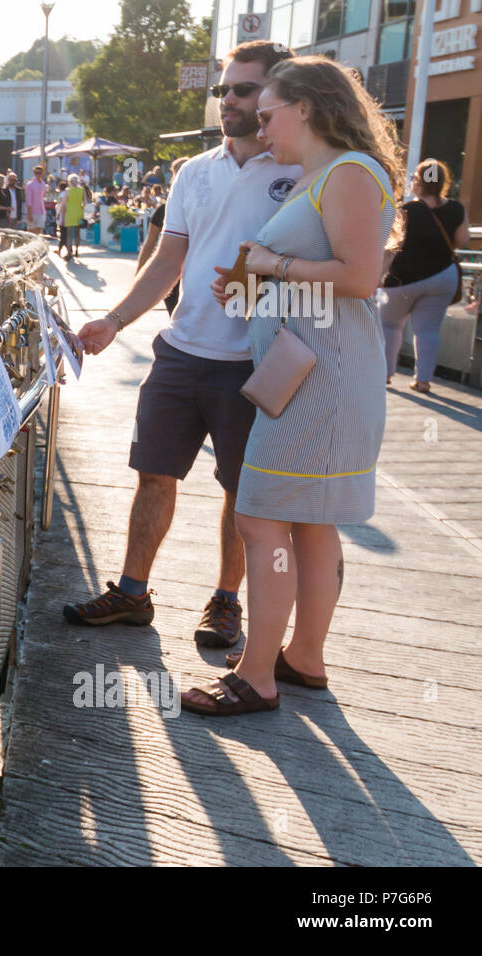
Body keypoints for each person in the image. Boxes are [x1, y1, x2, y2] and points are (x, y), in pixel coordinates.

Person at [184, 55, 404, 716]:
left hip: (320, 382)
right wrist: (251, 282)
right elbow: (312, 274)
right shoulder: (321, 177)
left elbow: (360, 276)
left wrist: (273, 263)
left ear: (305, 108)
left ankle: (256, 675)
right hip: (310, 374)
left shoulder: (349, 174)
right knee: (309, 523)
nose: (260, 123)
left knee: (259, 516)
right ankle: (303, 658)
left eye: (269, 112)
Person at [64, 40, 300, 651]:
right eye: (222, 88)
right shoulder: (192, 172)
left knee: (241, 491)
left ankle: (226, 602)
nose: (227, 100)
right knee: (153, 474)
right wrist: (114, 321)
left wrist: (262, 280)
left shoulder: (302, 172)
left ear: (277, 94)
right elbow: (169, 258)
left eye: (242, 89)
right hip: (181, 351)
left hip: (254, 361)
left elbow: (326, 266)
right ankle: (132, 592)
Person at [379, 158, 470, 393]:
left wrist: (378, 274)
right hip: (441, 277)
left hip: (402, 281)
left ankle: (386, 375)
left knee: (390, 326)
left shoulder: (407, 210)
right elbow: (461, 241)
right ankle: (423, 380)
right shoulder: (456, 209)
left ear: (419, 182)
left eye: (414, 178)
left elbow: (390, 246)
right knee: (428, 329)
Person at [135, 155, 189, 316]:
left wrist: (139, 277)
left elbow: (149, 245)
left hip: (171, 276)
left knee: (176, 320)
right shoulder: (206, 209)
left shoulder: (164, 210)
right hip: (196, 277)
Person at [56, 173, 88, 260]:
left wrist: (58, 213)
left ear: (69, 181)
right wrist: (80, 207)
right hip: (79, 213)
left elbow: (63, 203)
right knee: (77, 233)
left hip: (69, 213)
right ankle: (77, 250)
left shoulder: (68, 190)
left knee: (69, 234)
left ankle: (69, 252)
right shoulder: (82, 190)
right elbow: (84, 203)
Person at [24, 165, 47, 234]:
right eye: (36, 173)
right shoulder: (30, 185)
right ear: (34, 173)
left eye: (40, 172)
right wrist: (29, 214)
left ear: (42, 173)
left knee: (39, 231)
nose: (38, 174)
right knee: (31, 232)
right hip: (32, 211)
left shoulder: (43, 184)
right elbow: (28, 200)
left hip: (41, 211)